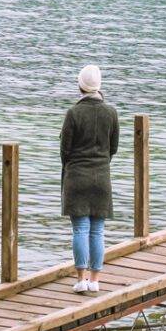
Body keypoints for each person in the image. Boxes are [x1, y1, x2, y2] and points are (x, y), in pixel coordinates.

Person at [60, 64, 119, 294]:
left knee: (80, 230)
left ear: (80, 85)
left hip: (77, 177)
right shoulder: (111, 112)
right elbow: (113, 147)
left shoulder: (73, 113)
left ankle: (81, 279)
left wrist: (73, 163)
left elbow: (65, 149)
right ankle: (95, 281)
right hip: (102, 176)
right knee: (97, 231)